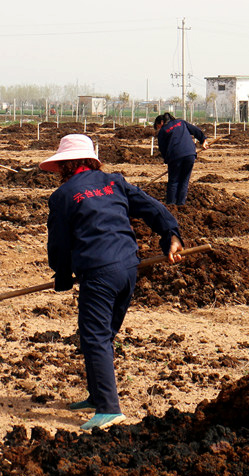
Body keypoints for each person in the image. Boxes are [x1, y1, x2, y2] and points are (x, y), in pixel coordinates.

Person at [41, 134, 184, 430]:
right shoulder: (114, 182)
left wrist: (62, 274)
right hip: (129, 268)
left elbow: (58, 243)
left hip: (98, 271)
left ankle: (108, 408)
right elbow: (152, 207)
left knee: (94, 336)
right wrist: (171, 234)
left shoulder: (63, 196)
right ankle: (96, 395)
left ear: (67, 165)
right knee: (102, 334)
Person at [153, 112, 207, 206]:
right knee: (184, 180)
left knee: (173, 181)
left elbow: (162, 148)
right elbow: (195, 130)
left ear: (162, 122)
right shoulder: (181, 122)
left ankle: (171, 205)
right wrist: (203, 140)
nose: (159, 128)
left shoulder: (163, 131)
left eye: (158, 126)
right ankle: (181, 204)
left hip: (175, 156)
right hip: (190, 154)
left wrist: (167, 159)